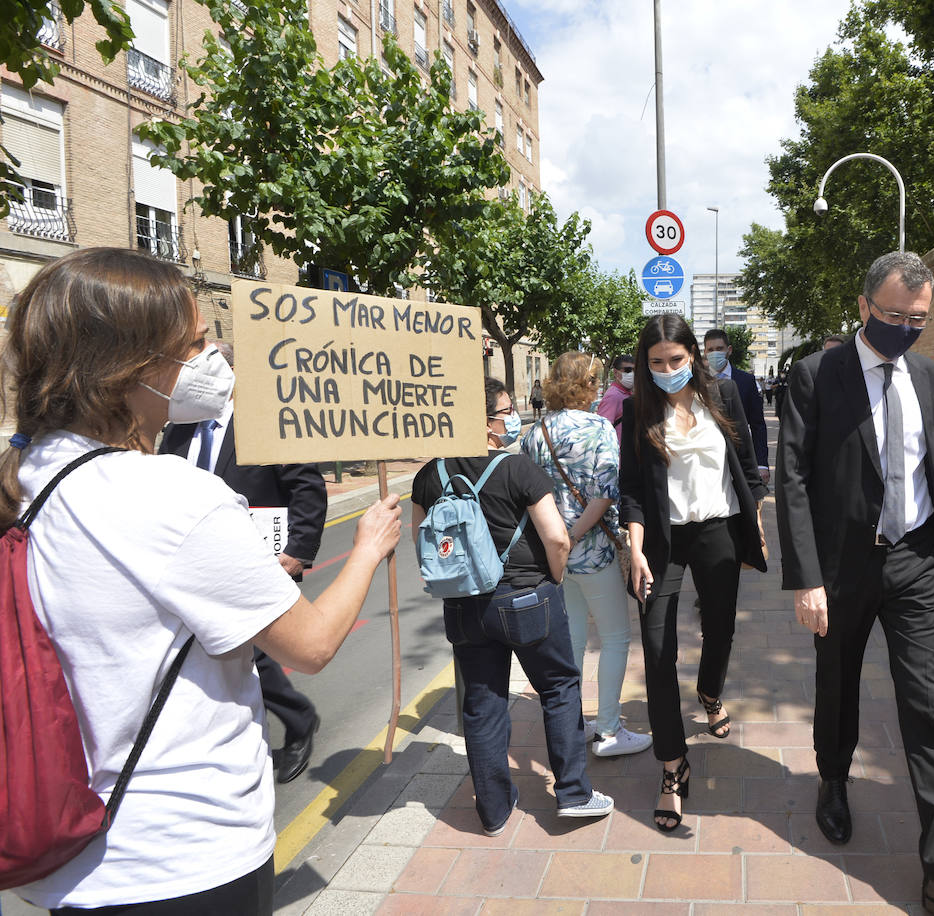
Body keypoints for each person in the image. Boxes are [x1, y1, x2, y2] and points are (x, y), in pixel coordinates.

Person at [5, 247, 400, 913]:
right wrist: (368, 546)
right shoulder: (166, 493)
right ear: (130, 365)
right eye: (193, 342)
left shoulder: (30, 472)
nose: (213, 354)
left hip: (68, 854)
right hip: (184, 856)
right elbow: (311, 646)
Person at [776, 251, 934, 916]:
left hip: (917, 560)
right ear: (866, 305)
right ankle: (833, 781)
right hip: (843, 566)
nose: (906, 327)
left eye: (919, 319)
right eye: (895, 314)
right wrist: (806, 578)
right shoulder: (816, 375)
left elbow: (926, 464)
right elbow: (793, 478)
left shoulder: (929, 373)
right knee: (837, 681)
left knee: (928, 705)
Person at [411, 377, 614, 836]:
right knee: (560, 688)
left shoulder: (428, 475)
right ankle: (573, 794)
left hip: (463, 606)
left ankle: (494, 810)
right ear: (486, 422)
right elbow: (557, 537)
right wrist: (554, 580)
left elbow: (420, 544)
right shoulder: (518, 469)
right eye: (506, 410)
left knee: (483, 703)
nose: (512, 417)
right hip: (526, 596)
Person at [620, 314, 768, 832]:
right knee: (658, 649)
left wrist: (756, 518)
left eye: (675, 360)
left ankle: (710, 691)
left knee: (721, 627)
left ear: (693, 356)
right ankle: (672, 764)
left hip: (719, 532)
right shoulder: (639, 409)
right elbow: (633, 489)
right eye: (656, 363)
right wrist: (635, 549)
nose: (666, 370)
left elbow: (748, 467)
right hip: (661, 541)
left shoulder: (722, 396)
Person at [159, 342, 327, 784]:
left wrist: (297, 552)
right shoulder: (177, 428)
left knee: (249, 645)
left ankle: (297, 718)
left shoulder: (266, 423)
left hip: (260, 563)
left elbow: (307, 488)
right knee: (229, 648)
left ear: (230, 372)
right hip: (195, 565)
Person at [521, 351, 652, 758]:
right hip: (592, 552)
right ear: (585, 384)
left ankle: (573, 724)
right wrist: (575, 535)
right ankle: (610, 731)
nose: (598, 387)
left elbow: (528, 495)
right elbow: (605, 494)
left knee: (573, 640)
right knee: (615, 638)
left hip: (554, 555)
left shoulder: (534, 432)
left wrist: (559, 538)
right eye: (594, 380)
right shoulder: (597, 427)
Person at [702, 329, 770, 485]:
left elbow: (758, 424)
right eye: (710, 350)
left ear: (729, 350)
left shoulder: (746, 381)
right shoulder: (698, 381)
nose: (715, 353)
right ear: (705, 352)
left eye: (719, 349)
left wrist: (762, 464)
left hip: (741, 460)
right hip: (707, 460)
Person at [596, 354, 635, 443]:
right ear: (616, 373)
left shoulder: (628, 393)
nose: (632, 374)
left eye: (635, 370)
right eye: (628, 370)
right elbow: (603, 430)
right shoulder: (613, 396)